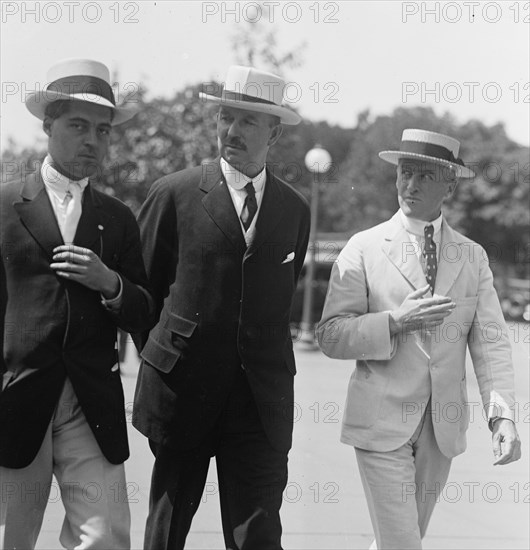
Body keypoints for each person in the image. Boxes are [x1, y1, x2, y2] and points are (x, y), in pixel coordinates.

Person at [133, 65, 311, 550]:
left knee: (258, 536)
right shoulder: (174, 193)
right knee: (166, 532)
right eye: (226, 117)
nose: (232, 130)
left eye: (249, 121)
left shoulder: (294, 209)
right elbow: (145, 293)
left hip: (259, 403)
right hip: (184, 393)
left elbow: (280, 297)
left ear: (274, 131)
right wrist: (166, 358)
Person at [317, 129, 521, 549]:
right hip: (379, 424)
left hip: (440, 430)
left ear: (450, 183)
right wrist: (392, 322)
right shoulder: (364, 248)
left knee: (402, 538)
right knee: (402, 543)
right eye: (405, 173)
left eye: (425, 175)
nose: (410, 184)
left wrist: (503, 416)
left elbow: (491, 343)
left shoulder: (471, 256)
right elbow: (330, 335)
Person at [0, 58, 154, 550]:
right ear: (48, 126)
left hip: (90, 402)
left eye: (103, 131)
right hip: (15, 396)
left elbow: (145, 311)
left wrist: (110, 283)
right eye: (78, 126)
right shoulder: (4, 206)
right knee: (11, 537)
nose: (93, 140)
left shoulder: (119, 218)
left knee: (106, 537)